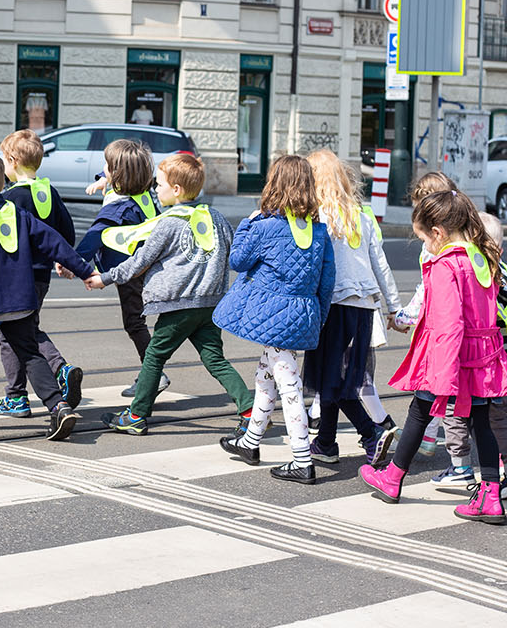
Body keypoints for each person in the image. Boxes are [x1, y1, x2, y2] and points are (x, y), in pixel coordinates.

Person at [359, 190, 507, 524]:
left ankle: (393, 478)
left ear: (438, 233)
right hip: (481, 355)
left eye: (422, 238)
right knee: (481, 422)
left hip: (450, 355)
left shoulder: (447, 265)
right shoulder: (480, 256)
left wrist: (443, 373)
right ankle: (490, 495)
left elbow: (448, 323)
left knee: (419, 410)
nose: (424, 246)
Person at [88, 154, 254, 434]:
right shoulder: (216, 218)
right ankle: (250, 410)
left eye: (160, 184)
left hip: (179, 306)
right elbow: (234, 255)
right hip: (209, 305)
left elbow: (139, 262)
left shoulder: (168, 222)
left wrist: (104, 278)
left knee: (154, 356)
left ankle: (137, 416)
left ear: (176, 190)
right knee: (215, 359)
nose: (155, 189)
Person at [0, 151, 95, 439]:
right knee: (31, 356)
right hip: (21, 303)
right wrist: (85, 270)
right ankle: (59, 407)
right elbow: (55, 243)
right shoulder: (19, 214)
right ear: (3, 184)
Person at [214, 155, 337, 485]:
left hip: (272, 316)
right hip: (303, 314)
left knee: (289, 386)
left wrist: (249, 223)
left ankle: (301, 459)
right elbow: (328, 282)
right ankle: (250, 442)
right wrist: (318, 318)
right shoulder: (319, 232)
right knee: (265, 374)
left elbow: (237, 260)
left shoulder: (265, 227)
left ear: (274, 186)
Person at [303, 149, 400, 467]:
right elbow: (380, 264)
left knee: (333, 379)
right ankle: (326, 442)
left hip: (334, 305)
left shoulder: (317, 218)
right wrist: (393, 306)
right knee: (334, 376)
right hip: (363, 307)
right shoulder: (361, 214)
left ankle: (372, 435)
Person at [429, 212, 507, 498]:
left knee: (454, 411)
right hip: (506, 367)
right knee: (497, 419)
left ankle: (460, 468)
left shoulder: (479, 278)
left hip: (479, 364)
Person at [0, 130, 84, 418]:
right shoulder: (48, 192)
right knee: (27, 329)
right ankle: (58, 370)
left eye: (4, 160)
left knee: (11, 333)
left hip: (16, 279)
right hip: (41, 277)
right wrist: (60, 259)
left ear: (13, 161)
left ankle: (18, 396)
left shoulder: (11, 198)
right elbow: (66, 231)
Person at [75, 139, 166, 397]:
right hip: (143, 267)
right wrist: (102, 181)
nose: (103, 168)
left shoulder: (120, 207)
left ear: (119, 174)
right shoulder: (143, 192)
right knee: (137, 322)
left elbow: (95, 236)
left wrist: (73, 263)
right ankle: (152, 372)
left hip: (129, 272)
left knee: (134, 324)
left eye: (108, 166)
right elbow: (119, 175)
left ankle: (153, 375)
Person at [393, 171, 460, 468]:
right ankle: (430, 439)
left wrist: (406, 315)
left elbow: (429, 289)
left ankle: (464, 463)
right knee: (436, 388)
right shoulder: (458, 236)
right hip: (441, 325)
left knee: (434, 388)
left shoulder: (438, 247)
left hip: (439, 327)